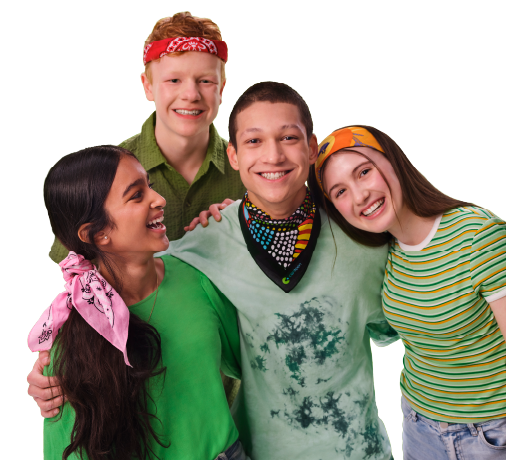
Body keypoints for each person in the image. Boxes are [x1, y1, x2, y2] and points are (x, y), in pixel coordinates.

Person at [29, 82, 400, 459]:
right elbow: (97, 301)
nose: (272, 155)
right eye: (254, 141)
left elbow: (409, 331)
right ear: (234, 156)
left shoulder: (362, 240)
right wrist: (52, 364)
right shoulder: (199, 248)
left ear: (311, 148)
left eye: (288, 137)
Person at [311, 125, 506, 460]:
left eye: (364, 172)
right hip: (419, 429)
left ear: (393, 162)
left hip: (493, 437)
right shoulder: (388, 252)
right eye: (339, 192)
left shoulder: (479, 235)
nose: (359, 196)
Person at [33, 145, 244, 460]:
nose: (159, 200)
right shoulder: (69, 338)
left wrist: (241, 234)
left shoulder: (198, 279)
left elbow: (256, 364)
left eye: (151, 187)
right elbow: (65, 449)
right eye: (136, 195)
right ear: (98, 234)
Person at [47, 11, 245, 264]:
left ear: (222, 88)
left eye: (205, 81)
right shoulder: (103, 173)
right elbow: (73, 268)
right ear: (148, 86)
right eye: (174, 80)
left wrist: (250, 224)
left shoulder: (256, 168)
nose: (191, 94)